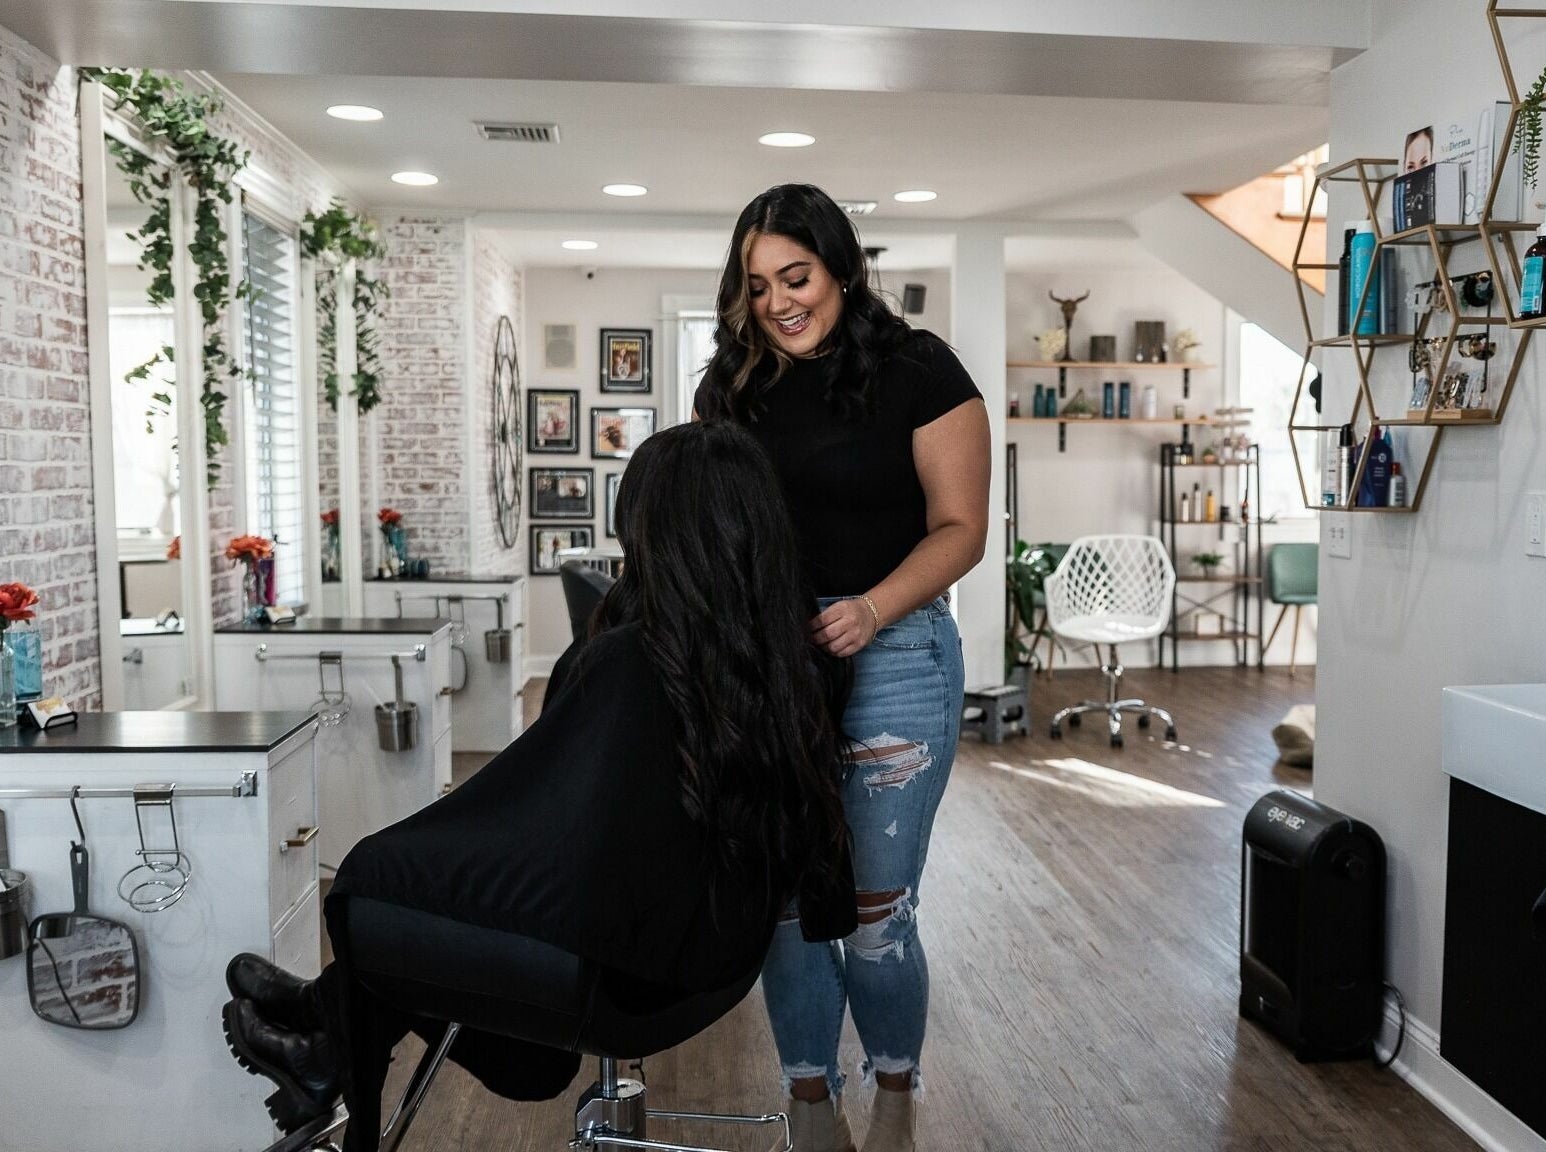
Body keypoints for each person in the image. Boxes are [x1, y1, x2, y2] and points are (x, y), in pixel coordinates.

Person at [219, 420, 855, 1150]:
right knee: (412, 895)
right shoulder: (797, 655)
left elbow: (538, 826)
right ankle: (322, 1035)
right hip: (715, 964)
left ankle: (328, 1050)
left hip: (623, 981)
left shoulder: (631, 661)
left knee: (369, 887)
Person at [695, 183, 990, 1152]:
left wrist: (869, 609)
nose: (780, 301)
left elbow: (963, 530)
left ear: (841, 268)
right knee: (789, 908)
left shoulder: (919, 370)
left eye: (797, 276)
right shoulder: (731, 388)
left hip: (897, 651)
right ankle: (811, 1109)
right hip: (775, 669)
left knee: (873, 912)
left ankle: (895, 1089)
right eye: (758, 284)